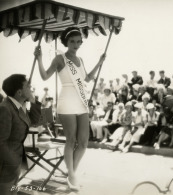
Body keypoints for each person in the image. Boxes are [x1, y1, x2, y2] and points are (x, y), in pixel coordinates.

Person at [34, 27, 106, 190]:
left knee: (83, 142)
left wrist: (99, 63)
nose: (76, 44)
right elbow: (45, 76)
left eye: (79, 41)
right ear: (66, 42)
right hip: (66, 100)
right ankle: (72, 175)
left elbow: (87, 78)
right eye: (72, 41)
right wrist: (39, 59)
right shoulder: (60, 59)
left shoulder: (80, 59)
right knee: (71, 140)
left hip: (81, 101)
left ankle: (71, 172)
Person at [0, 74, 41, 195]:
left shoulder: (18, 107)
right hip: (5, 166)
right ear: (19, 92)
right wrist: (12, 163)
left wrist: (33, 101)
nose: (31, 88)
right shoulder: (5, 109)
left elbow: (35, 121)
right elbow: (0, 141)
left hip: (14, 163)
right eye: (28, 86)